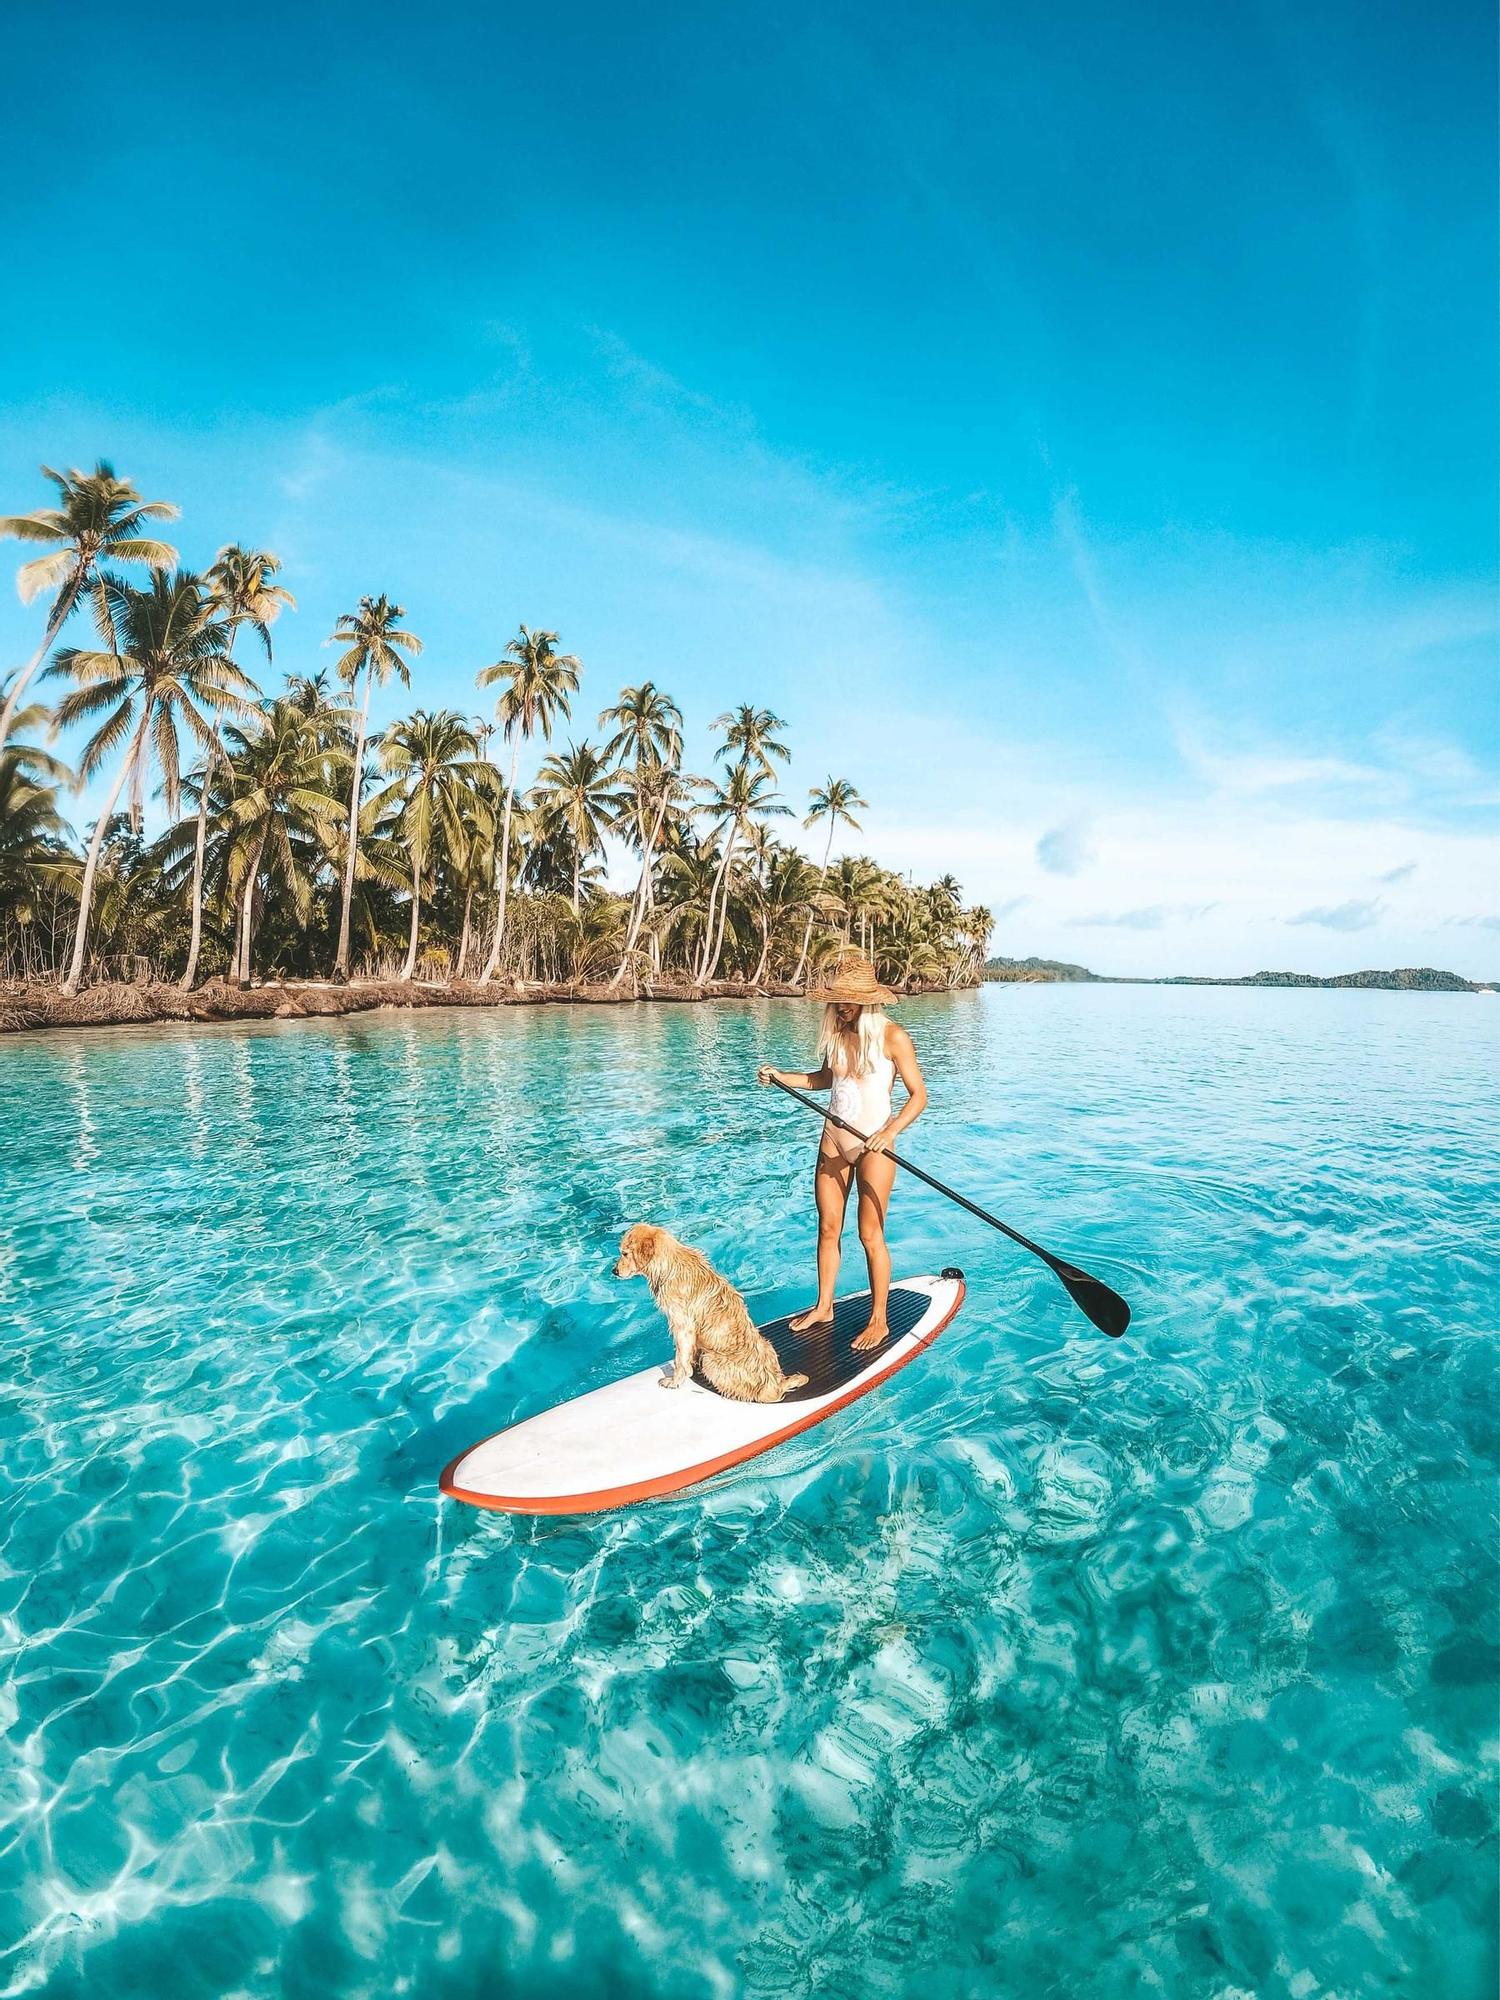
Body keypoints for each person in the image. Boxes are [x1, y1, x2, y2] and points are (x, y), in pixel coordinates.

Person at [757, 953, 928, 1350]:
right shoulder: (836, 1031)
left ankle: (879, 1319)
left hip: (874, 1146)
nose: (843, 1006)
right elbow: (823, 1079)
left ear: (869, 999)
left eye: (851, 1000)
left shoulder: (893, 1036)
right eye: (839, 1000)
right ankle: (824, 1306)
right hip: (833, 1140)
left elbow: (919, 1097)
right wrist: (782, 1076)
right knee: (828, 1228)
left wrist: (890, 1131)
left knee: (870, 1235)